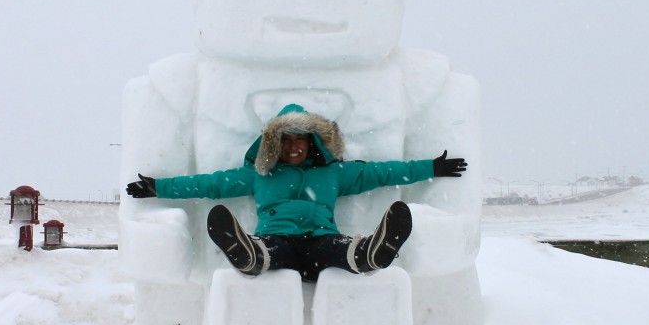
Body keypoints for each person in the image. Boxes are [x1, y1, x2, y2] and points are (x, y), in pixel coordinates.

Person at [126, 104, 467, 282]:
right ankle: (250, 256)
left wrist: (430, 168)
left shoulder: (334, 173)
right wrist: (159, 187)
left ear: (312, 141)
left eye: (299, 139)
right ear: (273, 143)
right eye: (285, 140)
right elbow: (208, 183)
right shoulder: (259, 174)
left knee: (339, 249)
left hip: (321, 239)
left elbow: (383, 172)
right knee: (272, 251)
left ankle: (369, 253)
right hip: (278, 239)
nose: (292, 147)